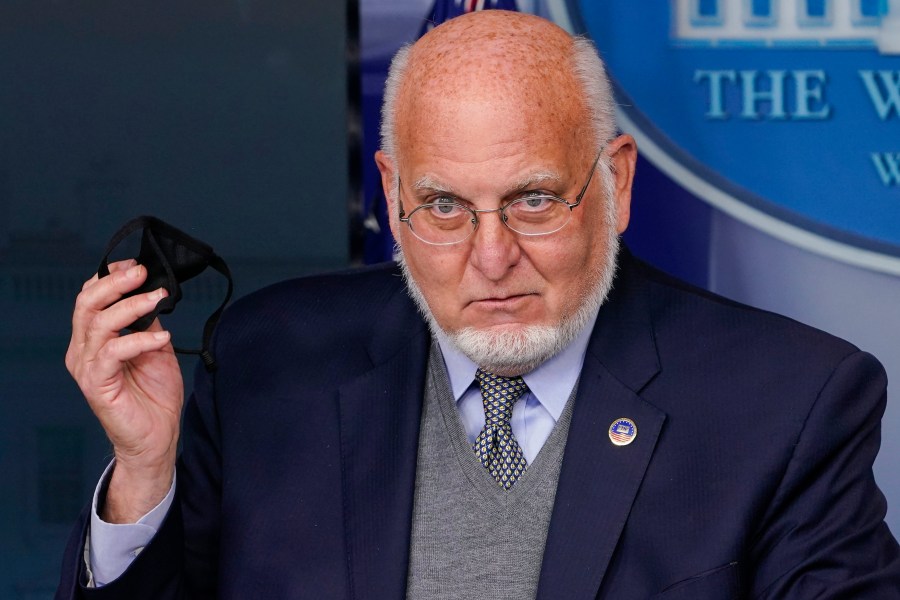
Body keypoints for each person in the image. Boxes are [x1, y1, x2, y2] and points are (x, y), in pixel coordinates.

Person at [57, 10, 900, 599]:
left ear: (617, 183)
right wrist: (144, 474)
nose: (490, 259)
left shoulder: (790, 402)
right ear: (392, 200)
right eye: (446, 208)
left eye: (533, 200)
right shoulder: (265, 364)